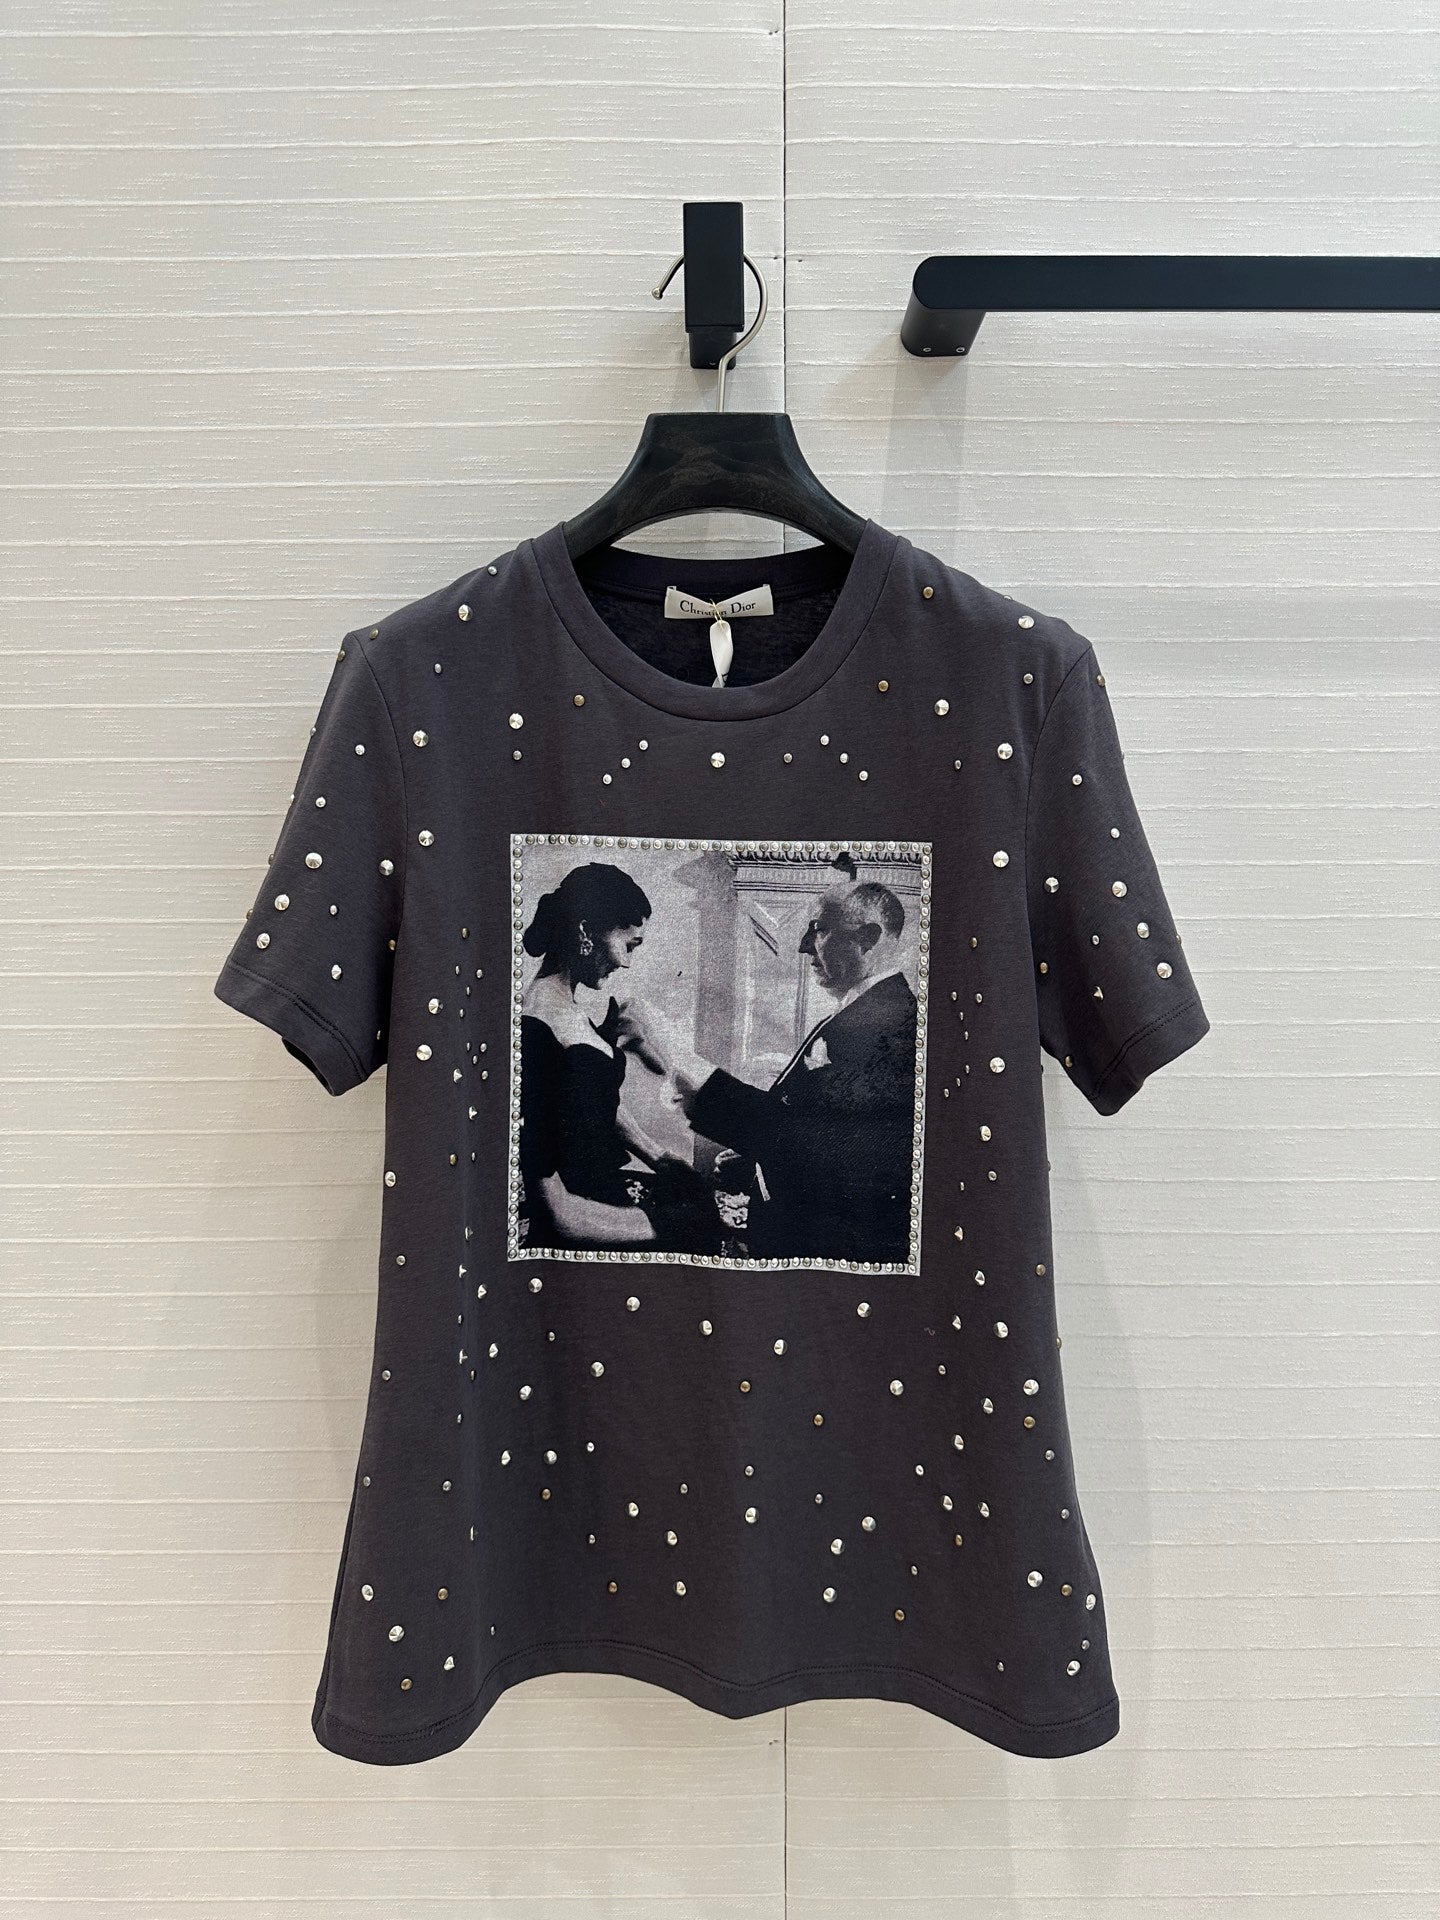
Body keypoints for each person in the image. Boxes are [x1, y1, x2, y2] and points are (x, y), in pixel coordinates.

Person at [616, 879, 919, 1265]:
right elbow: (823, 1136)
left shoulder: (894, 1025)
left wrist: (669, 1043)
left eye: (819, 930)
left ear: (868, 938)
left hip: (833, 1251)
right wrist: (757, 1163)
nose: (804, 946)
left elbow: (797, 1135)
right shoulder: (865, 1011)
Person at [518, 862, 721, 1256]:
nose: (626, 962)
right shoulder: (534, 1031)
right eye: (629, 945)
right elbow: (557, 1213)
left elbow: (592, 1101)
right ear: (585, 931)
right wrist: (665, 1224)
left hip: (604, 1200)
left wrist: (658, 1156)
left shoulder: (565, 1006)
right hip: (580, 1231)